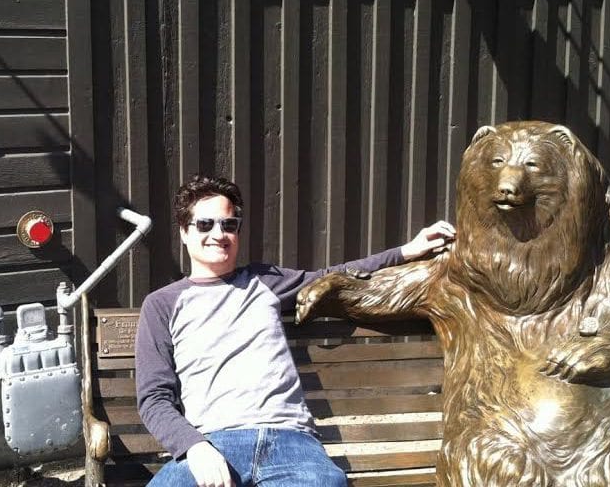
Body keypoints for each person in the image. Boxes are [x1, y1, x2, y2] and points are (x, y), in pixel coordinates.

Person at [136, 175, 455, 487]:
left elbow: (335, 276)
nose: (219, 234)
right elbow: (154, 398)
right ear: (184, 232)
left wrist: (406, 251)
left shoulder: (264, 281)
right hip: (213, 443)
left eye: (229, 225)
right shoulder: (162, 304)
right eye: (205, 224)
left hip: (289, 441)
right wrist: (194, 447)